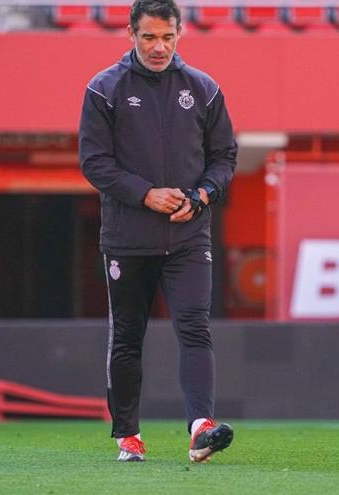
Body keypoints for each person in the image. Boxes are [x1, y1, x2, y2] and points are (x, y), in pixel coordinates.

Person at [78, 0, 237, 463]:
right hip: (128, 239)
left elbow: (224, 158)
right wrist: (146, 194)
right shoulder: (104, 88)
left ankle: (200, 428)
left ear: (180, 34)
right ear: (131, 34)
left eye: (167, 37)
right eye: (149, 37)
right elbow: (94, 162)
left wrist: (202, 195)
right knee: (128, 336)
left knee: (195, 328)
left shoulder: (203, 88)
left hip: (190, 237)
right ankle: (128, 434)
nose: (159, 47)